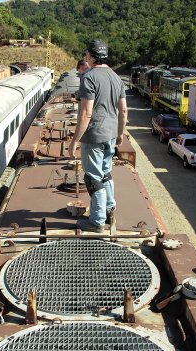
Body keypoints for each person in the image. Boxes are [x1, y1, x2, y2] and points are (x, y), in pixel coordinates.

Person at [68, 39, 128, 233]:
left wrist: (75, 140)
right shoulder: (117, 77)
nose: (85, 57)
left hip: (94, 135)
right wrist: (120, 133)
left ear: (91, 57)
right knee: (105, 174)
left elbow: (86, 113)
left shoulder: (89, 77)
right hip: (110, 134)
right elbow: (124, 111)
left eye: (86, 54)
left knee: (93, 178)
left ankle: (97, 221)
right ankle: (110, 209)